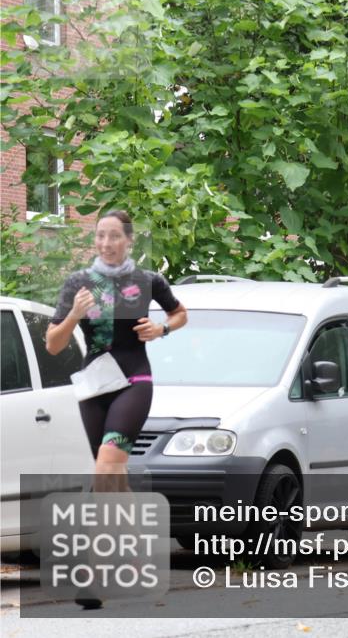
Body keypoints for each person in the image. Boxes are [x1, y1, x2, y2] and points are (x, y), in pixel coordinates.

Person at [46, 211, 186, 608]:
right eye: (100, 236)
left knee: (106, 467)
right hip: (95, 386)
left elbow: (180, 312)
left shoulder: (147, 281)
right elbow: (53, 344)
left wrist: (162, 329)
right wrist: (74, 314)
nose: (106, 244)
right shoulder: (78, 282)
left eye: (113, 237)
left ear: (129, 240)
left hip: (134, 382)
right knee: (114, 477)